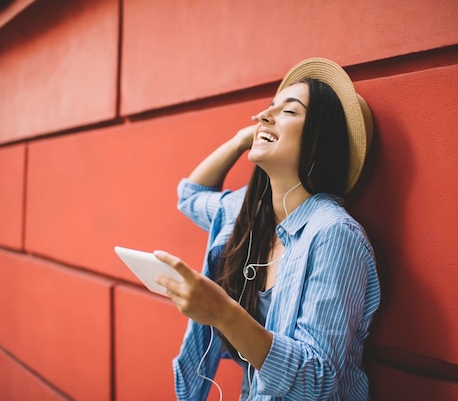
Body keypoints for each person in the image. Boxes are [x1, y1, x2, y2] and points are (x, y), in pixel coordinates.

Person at [155, 57, 381, 400]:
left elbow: (318, 383)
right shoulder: (246, 214)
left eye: (289, 111)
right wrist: (240, 140)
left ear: (321, 137)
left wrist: (224, 314)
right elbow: (189, 195)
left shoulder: (334, 234)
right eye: (267, 109)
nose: (264, 115)